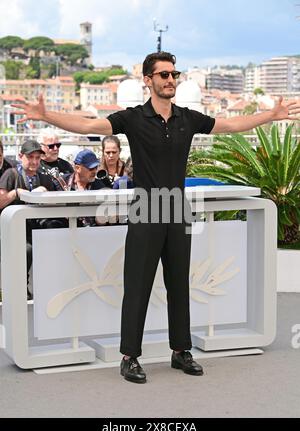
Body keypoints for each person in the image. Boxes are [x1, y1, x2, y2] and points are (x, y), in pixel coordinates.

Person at [12, 51, 300, 384]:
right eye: (163, 75)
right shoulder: (134, 118)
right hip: (146, 208)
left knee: (180, 283)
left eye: (173, 74)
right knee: (138, 285)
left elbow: (231, 124)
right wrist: (48, 117)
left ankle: (181, 351)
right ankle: (129, 356)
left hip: (177, 208)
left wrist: (272, 115)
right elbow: (90, 125)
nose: (170, 80)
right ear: (148, 80)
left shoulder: (187, 119)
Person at [0, 139, 55, 299]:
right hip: (14, 231)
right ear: (21, 156)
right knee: (26, 249)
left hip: (37, 229)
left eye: (38, 158)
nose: (34, 162)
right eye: (30, 157)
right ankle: (20, 289)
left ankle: (49, 286)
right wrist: (18, 192)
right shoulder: (12, 174)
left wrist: (45, 195)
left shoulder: (44, 178)